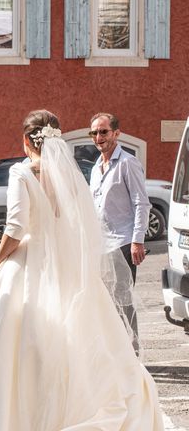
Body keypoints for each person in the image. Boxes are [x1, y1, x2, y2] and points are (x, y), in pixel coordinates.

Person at [0, 110, 162, 431]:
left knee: (17, 342)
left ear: (24, 140)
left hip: (30, 261)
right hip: (63, 263)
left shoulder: (22, 172)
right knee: (77, 332)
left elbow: (16, 227)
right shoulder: (70, 175)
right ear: (56, 139)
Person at [89, 112, 151, 347]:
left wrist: (137, 241)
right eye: (94, 132)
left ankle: (132, 352)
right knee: (106, 302)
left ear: (116, 133)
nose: (98, 137)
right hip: (102, 244)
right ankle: (116, 350)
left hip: (123, 242)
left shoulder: (127, 163)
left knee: (123, 300)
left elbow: (141, 203)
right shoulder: (96, 167)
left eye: (103, 131)